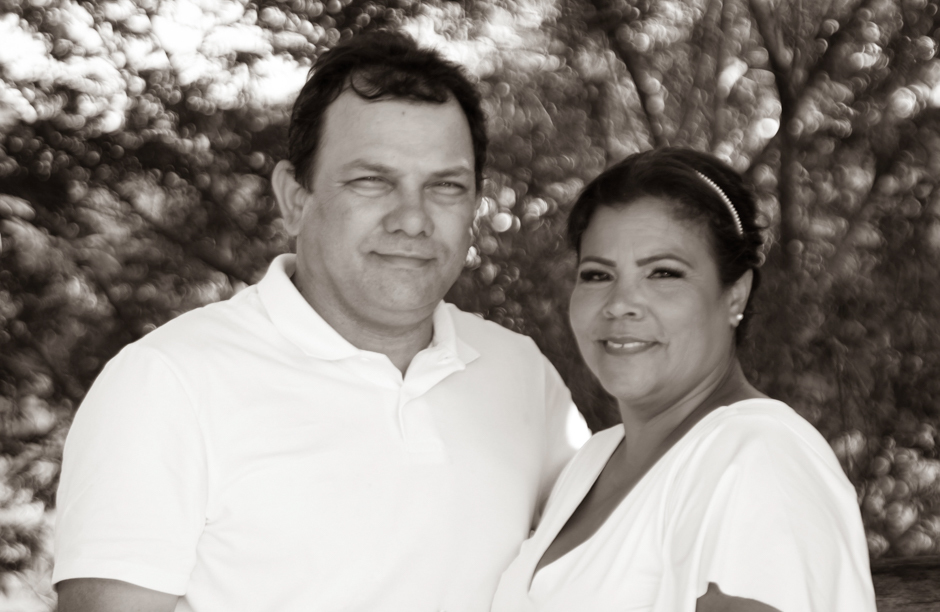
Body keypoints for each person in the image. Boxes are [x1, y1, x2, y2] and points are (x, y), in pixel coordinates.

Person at [53, 31, 588, 612]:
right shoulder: (166, 382)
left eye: (446, 186)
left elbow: (608, 570)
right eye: (372, 181)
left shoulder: (519, 372)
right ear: (294, 198)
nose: (412, 219)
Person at [490, 148, 877, 611]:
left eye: (663, 273)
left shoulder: (757, 458)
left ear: (735, 295)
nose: (620, 303)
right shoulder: (593, 461)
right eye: (597, 274)